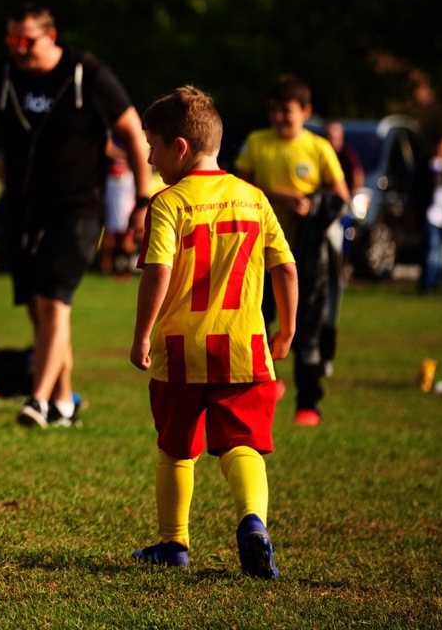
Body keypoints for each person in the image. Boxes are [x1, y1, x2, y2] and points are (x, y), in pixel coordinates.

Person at [0, 2, 152, 429]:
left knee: (55, 301)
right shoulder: (4, 74)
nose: (19, 49)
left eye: (27, 41)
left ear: (50, 37)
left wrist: (144, 197)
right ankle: (63, 404)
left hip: (77, 207)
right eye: (12, 41)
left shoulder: (85, 73)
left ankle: (36, 400)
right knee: (40, 310)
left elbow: (131, 128)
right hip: (23, 209)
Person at [130, 86, 298, 580]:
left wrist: (141, 335)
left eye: (153, 146)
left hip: (181, 349)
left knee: (175, 447)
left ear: (179, 148)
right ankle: (252, 522)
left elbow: (157, 271)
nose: (148, 156)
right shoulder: (254, 198)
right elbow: (285, 269)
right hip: (244, 346)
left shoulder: (168, 202)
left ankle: (174, 543)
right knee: (243, 443)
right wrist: (285, 329)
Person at [234, 75, 349, 426]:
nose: (279, 117)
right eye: (273, 111)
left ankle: (308, 404)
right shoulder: (256, 141)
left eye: (286, 111)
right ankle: (264, 385)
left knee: (305, 329)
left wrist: (312, 204)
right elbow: (237, 186)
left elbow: (341, 197)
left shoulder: (318, 148)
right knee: (251, 324)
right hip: (260, 252)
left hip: (307, 256)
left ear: (306, 111)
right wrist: (278, 197)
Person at [416, 134, 442, 294]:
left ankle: (434, 284)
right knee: (431, 252)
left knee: (438, 253)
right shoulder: (425, 166)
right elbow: (417, 192)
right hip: (430, 216)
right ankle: (427, 286)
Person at [100, 137, 138, 277]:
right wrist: (126, 154)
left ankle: (125, 268)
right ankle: (106, 267)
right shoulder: (111, 132)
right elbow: (107, 147)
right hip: (113, 185)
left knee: (127, 231)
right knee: (111, 229)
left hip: (126, 185)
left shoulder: (137, 135)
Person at [325, 120, 364, 192]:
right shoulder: (321, 155)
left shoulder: (348, 156)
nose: (333, 143)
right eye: (330, 138)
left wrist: (351, 196)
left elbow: (358, 175)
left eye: (337, 139)